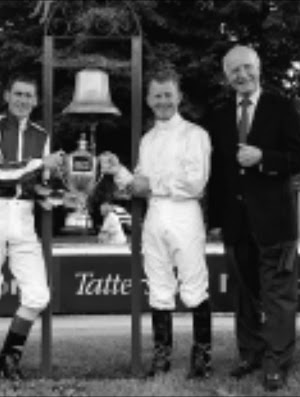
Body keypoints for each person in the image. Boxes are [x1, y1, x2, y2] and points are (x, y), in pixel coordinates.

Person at [206, 45, 300, 391]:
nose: (242, 75)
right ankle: (250, 354)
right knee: (244, 294)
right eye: (234, 70)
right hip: (236, 224)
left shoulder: (281, 107)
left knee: (278, 295)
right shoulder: (220, 114)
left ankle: (276, 363)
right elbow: (218, 173)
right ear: (227, 76)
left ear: (259, 68)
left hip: (275, 221)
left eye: (247, 68)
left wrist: (265, 158)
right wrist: (215, 219)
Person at [100, 68, 212, 379]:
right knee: (159, 288)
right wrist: (117, 169)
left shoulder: (196, 135)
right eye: (157, 95)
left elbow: (195, 183)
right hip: (154, 216)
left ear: (179, 97)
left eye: (168, 94)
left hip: (185, 214)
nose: (163, 101)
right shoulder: (147, 140)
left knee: (193, 285)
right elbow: (137, 184)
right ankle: (162, 357)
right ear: (149, 100)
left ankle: (202, 357)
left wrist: (152, 184)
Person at [0, 74, 64, 388]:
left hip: (24, 215)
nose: (23, 100)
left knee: (38, 294)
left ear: (36, 101)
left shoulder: (42, 134)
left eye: (29, 96)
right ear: (7, 95)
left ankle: (8, 360)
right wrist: (39, 164)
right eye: (18, 94)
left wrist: (64, 195)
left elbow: (41, 183)